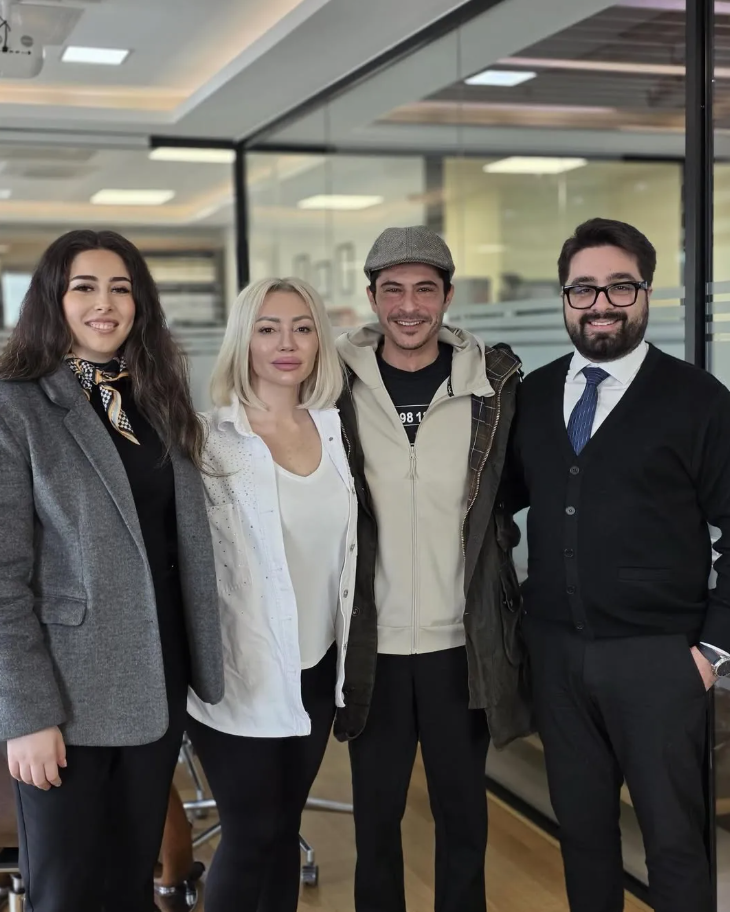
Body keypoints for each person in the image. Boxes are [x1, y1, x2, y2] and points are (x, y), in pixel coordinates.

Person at [508, 217, 730, 912]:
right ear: (564, 298)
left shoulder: (697, 399)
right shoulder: (534, 396)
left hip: (659, 662)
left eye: (619, 286)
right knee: (582, 838)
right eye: (583, 289)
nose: (601, 304)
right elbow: (494, 506)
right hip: (556, 656)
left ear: (647, 293)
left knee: (674, 844)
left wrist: (712, 652)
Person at [0, 229, 224, 912]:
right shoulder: (17, 405)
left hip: (156, 682)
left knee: (129, 884)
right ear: (52, 300)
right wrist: (27, 715)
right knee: (67, 892)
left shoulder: (153, 397)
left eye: (120, 288)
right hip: (68, 695)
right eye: (85, 287)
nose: (105, 303)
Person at [334, 225, 530, 912]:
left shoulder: (493, 387)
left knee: (463, 817)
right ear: (372, 298)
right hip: (373, 645)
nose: (409, 306)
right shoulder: (333, 385)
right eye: (393, 290)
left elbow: (514, 495)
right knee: (375, 822)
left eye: (425, 289)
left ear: (447, 296)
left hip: (461, 643)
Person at [186, 277, 358, 912]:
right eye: (267, 329)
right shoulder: (206, 438)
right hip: (241, 670)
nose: (287, 343)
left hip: (317, 666)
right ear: (243, 341)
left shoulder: (339, 432)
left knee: (284, 830)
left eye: (302, 328)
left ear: (319, 341)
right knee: (251, 833)